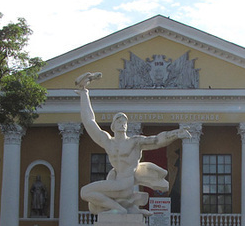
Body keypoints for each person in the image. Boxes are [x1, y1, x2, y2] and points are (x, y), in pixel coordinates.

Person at [76, 72, 190, 215]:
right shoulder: (107, 142)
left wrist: (175, 133)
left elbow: (156, 140)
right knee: (93, 205)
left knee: (85, 192)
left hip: (125, 184)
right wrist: (84, 93)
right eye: (119, 121)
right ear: (113, 126)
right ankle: (126, 209)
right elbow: (89, 122)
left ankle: (120, 209)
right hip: (115, 184)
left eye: (124, 122)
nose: (122, 124)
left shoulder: (134, 142)